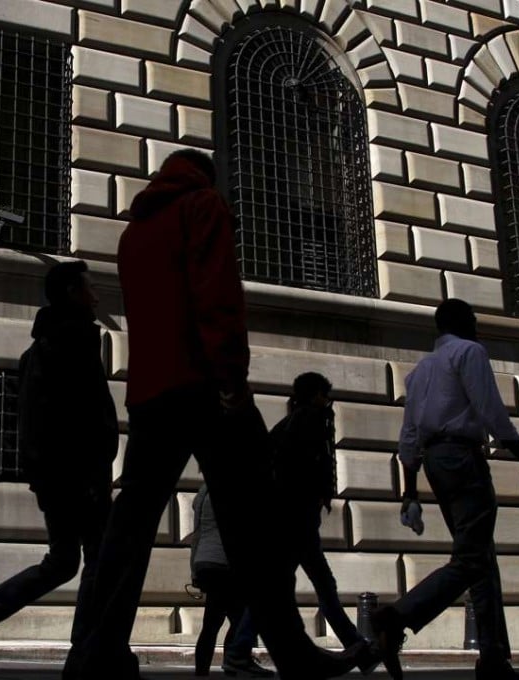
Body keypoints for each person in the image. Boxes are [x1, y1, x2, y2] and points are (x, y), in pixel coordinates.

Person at [62, 149, 360, 680]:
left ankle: (93, 654)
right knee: (257, 527)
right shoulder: (203, 206)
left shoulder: (133, 235)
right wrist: (233, 380)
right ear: (205, 175)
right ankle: (295, 655)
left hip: (150, 394)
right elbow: (217, 298)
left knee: (128, 531)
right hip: (205, 387)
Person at [0, 260, 118, 678]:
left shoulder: (49, 347)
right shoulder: (67, 344)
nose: (97, 297)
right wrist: (90, 475)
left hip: (65, 478)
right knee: (99, 559)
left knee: (65, 562)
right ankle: (85, 654)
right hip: (78, 478)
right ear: (72, 293)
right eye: (90, 288)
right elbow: (69, 420)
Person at [370, 299, 519, 680]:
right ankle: (396, 617)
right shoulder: (469, 352)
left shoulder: (420, 371)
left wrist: (411, 491)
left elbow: (409, 436)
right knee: (471, 559)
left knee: (480, 557)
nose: (477, 325)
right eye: (473, 319)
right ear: (461, 322)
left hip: (435, 464)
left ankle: (493, 659)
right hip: (463, 459)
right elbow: (491, 410)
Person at [270, 372, 372, 672]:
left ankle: (358, 648)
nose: (328, 400)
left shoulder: (285, 424)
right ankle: (358, 648)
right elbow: (313, 465)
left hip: (292, 517)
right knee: (320, 584)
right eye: (324, 394)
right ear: (315, 395)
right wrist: (317, 496)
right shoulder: (311, 420)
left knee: (280, 585)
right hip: (300, 519)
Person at [190, 484, 272, 678]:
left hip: (205, 561)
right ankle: (233, 662)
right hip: (225, 563)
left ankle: (204, 671)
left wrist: (194, 569)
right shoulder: (234, 488)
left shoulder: (203, 492)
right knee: (239, 619)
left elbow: (197, 533)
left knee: (212, 623)